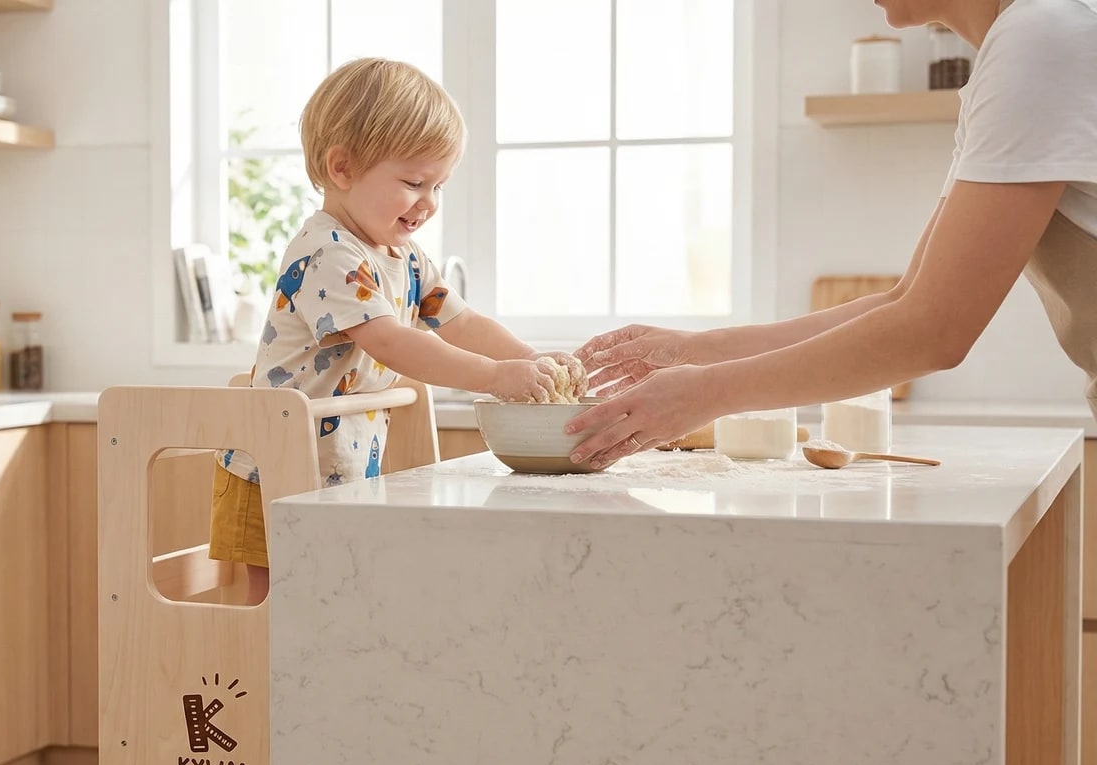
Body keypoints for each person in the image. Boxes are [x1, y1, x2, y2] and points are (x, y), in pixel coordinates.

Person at [564, 0, 1097, 470]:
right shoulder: (1014, 53)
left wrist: (706, 393)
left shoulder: (1039, 37)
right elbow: (905, 301)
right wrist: (699, 352)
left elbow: (933, 332)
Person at [211, 57, 563, 602]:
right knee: (277, 618)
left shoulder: (406, 257)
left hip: (343, 468)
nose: (429, 203)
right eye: (415, 182)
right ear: (343, 168)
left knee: (333, 611)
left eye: (440, 186)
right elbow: (392, 342)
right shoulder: (326, 250)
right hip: (271, 466)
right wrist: (497, 378)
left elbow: (461, 321)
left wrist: (532, 361)